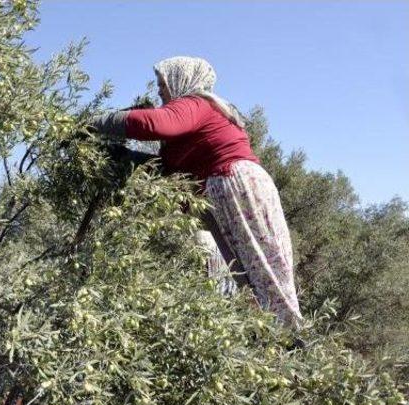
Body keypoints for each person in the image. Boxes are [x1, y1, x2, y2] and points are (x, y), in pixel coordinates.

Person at [88, 56, 303, 328]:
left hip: (237, 184)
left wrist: (98, 122)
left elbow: (156, 124)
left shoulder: (198, 103)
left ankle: (289, 337)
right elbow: (167, 172)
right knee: (244, 274)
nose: (159, 91)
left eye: (162, 83)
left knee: (264, 267)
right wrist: (122, 156)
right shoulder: (186, 127)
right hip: (221, 194)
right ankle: (269, 335)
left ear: (181, 80)